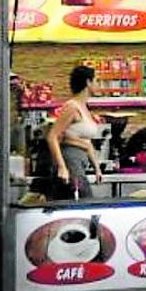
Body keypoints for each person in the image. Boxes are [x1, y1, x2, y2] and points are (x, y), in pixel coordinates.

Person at [46, 65, 104, 199]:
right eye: (96, 81)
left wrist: (97, 167)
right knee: (83, 203)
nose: (98, 85)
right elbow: (52, 136)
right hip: (70, 161)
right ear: (88, 82)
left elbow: (86, 143)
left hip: (81, 162)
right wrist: (62, 167)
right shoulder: (72, 107)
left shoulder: (84, 108)